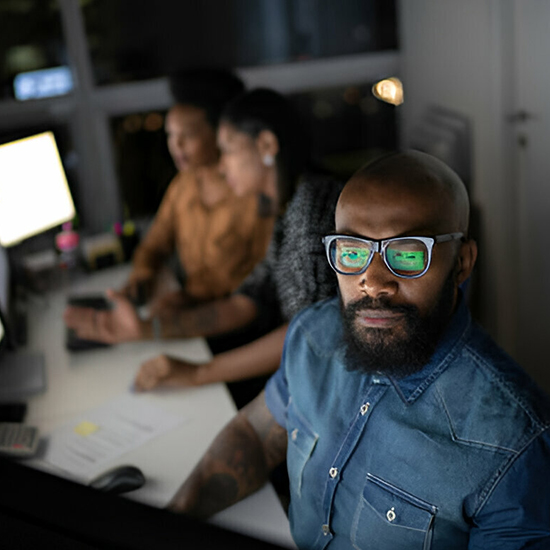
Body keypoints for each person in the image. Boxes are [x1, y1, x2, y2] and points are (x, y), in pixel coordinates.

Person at [167, 151, 550, 549]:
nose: (372, 281)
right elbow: (255, 433)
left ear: (462, 263)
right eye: (352, 252)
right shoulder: (313, 336)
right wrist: (171, 519)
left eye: (407, 254)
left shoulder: (515, 443)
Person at [64, 88, 344, 407]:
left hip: (323, 392)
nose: (221, 167)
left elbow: (308, 337)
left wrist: (199, 372)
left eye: (227, 151)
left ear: (266, 145)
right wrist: (147, 328)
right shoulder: (281, 207)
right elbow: (247, 302)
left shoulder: (312, 207)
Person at [64, 69, 274, 328]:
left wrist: (183, 303)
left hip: (230, 324)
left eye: (188, 136)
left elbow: (255, 294)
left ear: (221, 133)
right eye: (171, 135)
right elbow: (155, 243)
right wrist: (142, 275)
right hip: (186, 313)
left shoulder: (254, 196)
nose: (176, 145)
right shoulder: (184, 185)